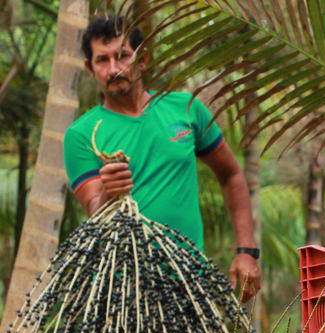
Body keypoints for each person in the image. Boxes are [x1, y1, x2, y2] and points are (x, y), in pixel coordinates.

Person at [63, 15, 261, 301]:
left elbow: (230, 174)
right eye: (102, 60)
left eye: (122, 56)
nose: (114, 69)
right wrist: (110, 191)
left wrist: (246, 251)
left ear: (142, 60)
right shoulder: (81, 135)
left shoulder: (186, 109)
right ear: (89, 69)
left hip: (189, 286)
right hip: (122, 296)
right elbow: (95, 211)